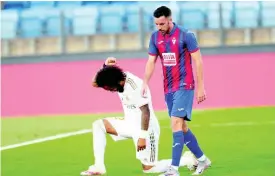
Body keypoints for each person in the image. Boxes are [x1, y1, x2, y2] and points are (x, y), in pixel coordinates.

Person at [80, 57, 198, 176]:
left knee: (149, 169)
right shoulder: (116, 78)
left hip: (146, 128)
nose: (110, 90)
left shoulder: (136, 86)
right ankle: (99, 167)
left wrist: (142, 137)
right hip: (129, 123)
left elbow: (145, 112)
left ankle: (187, 160)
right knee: (98, 125)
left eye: (110, 88)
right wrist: (104, 67)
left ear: (116, 83)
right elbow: (94, 83)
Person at [141, 6, 211, 176]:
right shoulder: (155, 37)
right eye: (156, 24)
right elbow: (151, 61)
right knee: (183, 127)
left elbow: (198, 61)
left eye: (162, 23)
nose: (159, 27)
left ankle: (173, 169)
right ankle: (203, 160)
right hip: (169, 87)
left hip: (185, 85)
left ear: (170, 19)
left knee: (175, 123)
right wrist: (145, 82)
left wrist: (201, 87)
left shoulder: (186, 35)